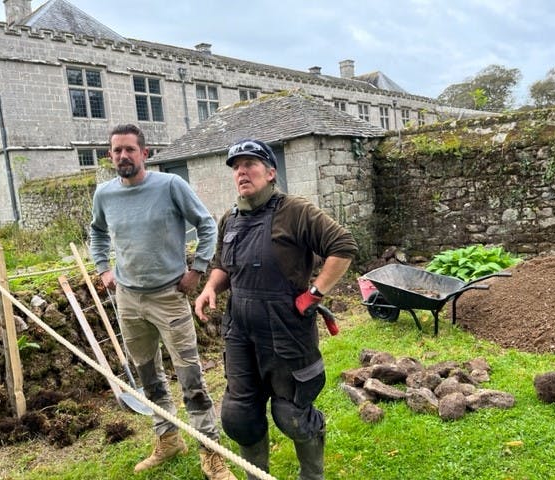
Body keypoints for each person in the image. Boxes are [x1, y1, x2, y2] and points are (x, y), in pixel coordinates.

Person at [194, 139, 358, 480]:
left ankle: (312, 476)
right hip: (240, 331)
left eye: (250, 164)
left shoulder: (295, 211)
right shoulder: (230, 218)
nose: (241, 171)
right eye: (236, 167)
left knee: (292, 414)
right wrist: (210, 287)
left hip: (286, 330)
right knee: (241, 415)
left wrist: (314, 293)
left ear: (270, 172)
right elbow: (224, 266)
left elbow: (342, 246)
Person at [89, 124, 236, 480]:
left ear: (145, 152)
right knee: (147, 374)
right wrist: (103, 268)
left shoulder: (170, 186)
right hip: (128, 298)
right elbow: (96, 232)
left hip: (169, 297)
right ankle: (167, 438)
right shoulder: (104, 194)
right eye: (116, 150)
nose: (123, 156)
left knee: (190, 376)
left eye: (129, 149)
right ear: (110, 156)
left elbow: (206, 225)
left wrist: (198, 269)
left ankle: (210, 451)